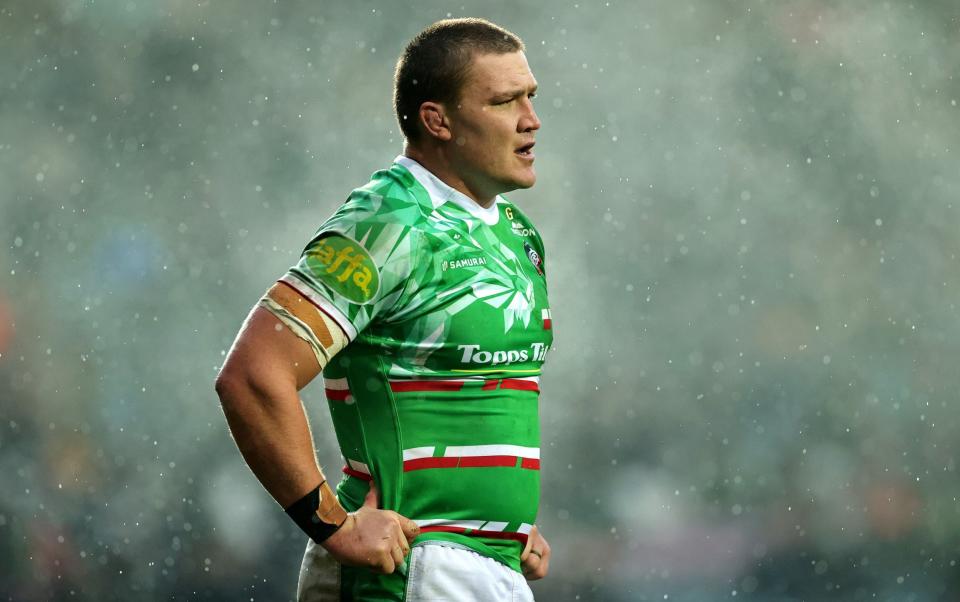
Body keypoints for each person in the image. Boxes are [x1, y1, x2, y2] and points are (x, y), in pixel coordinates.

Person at [215, 17, 553, 601]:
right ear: (437, 120)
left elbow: (474, 395)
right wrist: (334, 527)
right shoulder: (389, 223)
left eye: (530, 96)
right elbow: (252, 375)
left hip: (483, 563)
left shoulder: (516, 233)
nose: (531, 120)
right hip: (414, 571)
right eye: (504, 101)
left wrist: (502, 521)